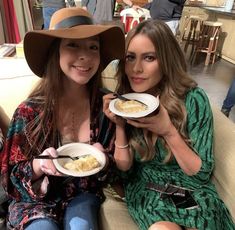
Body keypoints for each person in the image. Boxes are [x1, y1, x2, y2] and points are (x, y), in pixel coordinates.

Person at [0, 7, 125, 230]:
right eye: (72, 44)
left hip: (83, 194)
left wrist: (105, 160)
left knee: (81, 226)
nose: (85, 56)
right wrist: (39, 165)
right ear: (55, 52)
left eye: (93, 46)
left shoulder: (107, 106)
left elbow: (120, 172)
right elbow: (10, 178)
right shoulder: (29, 112)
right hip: (35, 201)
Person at [103, 20, 235, 230]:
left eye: (149, 58)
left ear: (166, 60)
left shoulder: (193, 99)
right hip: (148, 187)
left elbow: (200, 174)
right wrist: (119, 125)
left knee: (205, 221)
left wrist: (168, 131)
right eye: (130, 58)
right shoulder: (125, 102)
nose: (136, 68)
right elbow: (124, 171)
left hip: (189, 188)